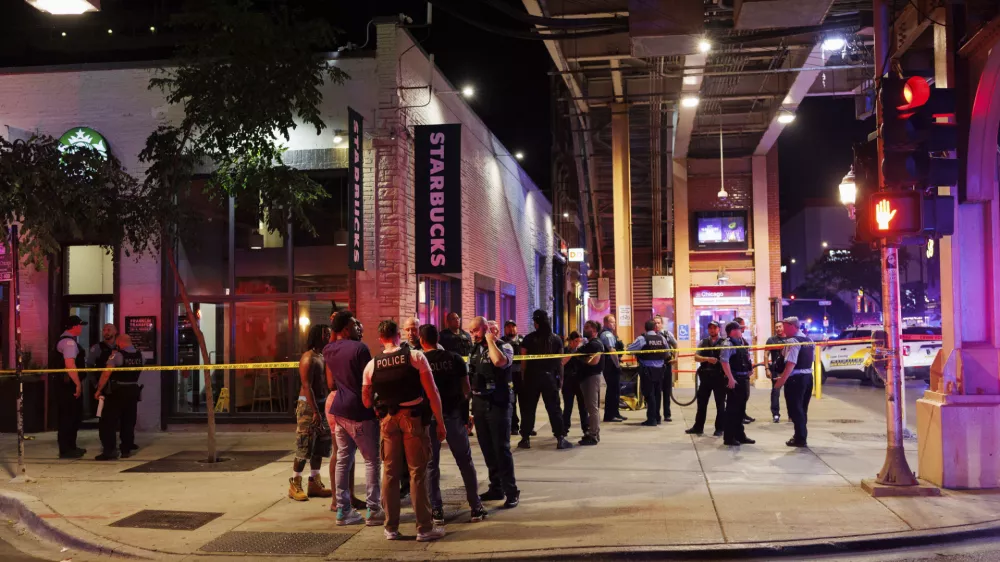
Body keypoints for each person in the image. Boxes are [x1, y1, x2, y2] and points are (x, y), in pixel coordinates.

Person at [362, 320, 448, 542]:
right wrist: (440, 422)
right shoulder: (415, 357)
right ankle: (424, 528)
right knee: (417, 473)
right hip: (413, 419)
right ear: (399, 335)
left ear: (381, 338)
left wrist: (380, 405)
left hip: (388, 421)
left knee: (389, 473)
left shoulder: (372, 365)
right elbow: (433, 392)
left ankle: (390, 528)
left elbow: (365, 401)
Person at [420, 324, 488, 524]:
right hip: (453, 416)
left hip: (429, 419)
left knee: (432, 465)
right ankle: (475, 507)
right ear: (437, 339)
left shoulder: (419, 361)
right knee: (465, 461)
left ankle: (437, 510)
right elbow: (466, 389)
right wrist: (466, 414)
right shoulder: (455, 359)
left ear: (422, 341)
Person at [324, 311, 384, 527]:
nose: (359, 328)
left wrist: (334, 325)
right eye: (354, 325)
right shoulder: (360, 349)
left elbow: (331, 341)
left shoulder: (328, 349)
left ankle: (343, 510)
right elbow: (370, 381)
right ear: (346, 329)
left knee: (343, 459)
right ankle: (374, 510)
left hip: (339, 411)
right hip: (360, 410)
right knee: (371, 460)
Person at [468, 316, 520, 509]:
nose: (473, 334)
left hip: (498, 403)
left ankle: (511, 491)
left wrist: (490, 341)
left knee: (501, 449)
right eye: (471, 331)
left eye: (476, 331)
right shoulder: (473, 349)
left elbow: (499, 362)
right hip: (480, 403)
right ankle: (495, 487)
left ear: (486, 329)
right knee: (487, 449)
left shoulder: (504, 346)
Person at [287, 325, 334, 500]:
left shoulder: (322, 356)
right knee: (304, 445)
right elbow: (307, 386)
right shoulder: (308, 358)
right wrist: (315, 412)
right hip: (308, 407)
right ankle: (295, 484)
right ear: (319, 336)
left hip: (322, 405)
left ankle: (314, 482)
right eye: (327, 334)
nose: (329, 336)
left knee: (320, 446)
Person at [519, 310, 573, 450]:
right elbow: (560, 361)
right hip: (550, 377)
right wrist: (560, 378)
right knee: (554, 408)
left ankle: (525, 438)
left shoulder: (528, 339)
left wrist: (523, 377)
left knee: (528, 408)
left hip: (532, 377)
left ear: (536, 323)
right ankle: (560, 438)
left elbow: (524, 361)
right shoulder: (556, 339)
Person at [92, 334, 143, 460]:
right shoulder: (140, 355)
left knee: (108, 422)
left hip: (117, 392)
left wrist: (98, 389)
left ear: (119, 342)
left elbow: (106, 374)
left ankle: (109, 450)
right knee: (128, 421)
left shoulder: (117, 355)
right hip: (133, 391)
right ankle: (126, 449)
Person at [773, 317, 815, 448]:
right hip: (808, 377)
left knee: (795, 409)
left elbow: (791, 363)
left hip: (796, 379)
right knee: (802, 409)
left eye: (785, 327)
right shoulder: (809, 340)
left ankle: (800, 438)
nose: (783, 330)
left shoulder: (793, 341)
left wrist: (781, 380)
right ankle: (800, 435)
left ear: (792, 326)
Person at [685, 321, 727, 437]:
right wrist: (707, 359)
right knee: (701, 404)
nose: (712, 330)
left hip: (719, 377)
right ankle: (698, 427)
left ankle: (720, 428)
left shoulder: (724, 343)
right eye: (710, 328)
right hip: (705, 377)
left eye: (714, 328)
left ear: (719, 329)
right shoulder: (703, 342)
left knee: (720, 404)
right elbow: (696, 357)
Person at [55, 316, 87, 459]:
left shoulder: (67, 341)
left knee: (73, 416)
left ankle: (71, 446)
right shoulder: (68, 342)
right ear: (73, 326)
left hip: (65, 386)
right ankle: (67, 449)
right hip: (68, 386)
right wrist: (78, 384)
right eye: (80, 325)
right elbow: (70, 365)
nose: (81, 328)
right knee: (69, 416)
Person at [627, 319, 669, 427]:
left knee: (649, 394)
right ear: (655, 328)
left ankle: (651, 419)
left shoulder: (642, 339)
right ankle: (657, 417)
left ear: (645, 328)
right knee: (657, 394)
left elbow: (630, 349)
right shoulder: (662, 338)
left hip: (647, 371)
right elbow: (667, 353)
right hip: (660, 370)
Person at [720, 321, 755, 446]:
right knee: (732, 410)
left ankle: (740, 435)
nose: (741, 331)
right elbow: (724, 362)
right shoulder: (728, 343)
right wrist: (730, 378)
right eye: (739, 329)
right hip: (734, 380)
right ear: (733, 331)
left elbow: (747, 358)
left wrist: (750, 370)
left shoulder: (742, 342)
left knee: (741, 409)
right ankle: (729, 437)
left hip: (743, 378)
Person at [575, 321, 605, 445]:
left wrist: (580, 358)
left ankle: (593, 435)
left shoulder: (595, 344)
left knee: (592, 408)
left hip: (591, 378)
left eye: (587, 327)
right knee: (590, 407)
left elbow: (593, 361)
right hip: (588, 378)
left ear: (593, 330)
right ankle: (593, 432)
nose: (584, 329)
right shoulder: (591, 344)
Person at [559, 331, 588, 437]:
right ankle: (564, 428)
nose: (577, 344)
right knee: (568, 407)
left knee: (583, 407)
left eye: (579, 342)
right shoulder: (565, 351)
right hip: (568, 382)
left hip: (580, 382)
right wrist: (572, 354)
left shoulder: (582, 351)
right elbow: (561, 363)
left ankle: (586, 428)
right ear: (570, 341)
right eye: (576, 341)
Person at [599, 315, 626, 422]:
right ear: (605, 323)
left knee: (616, 391)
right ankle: (609, 415)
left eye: (614, 322)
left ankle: (616, 413)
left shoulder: (611, 334)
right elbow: (612, 352)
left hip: (611, 365)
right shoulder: (607, 335)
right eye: (611, 322)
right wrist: (617, 365)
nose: (614, 324)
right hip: (610, 366)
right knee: (612, 391)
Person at [653, 315, 678, 423]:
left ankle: (667, 414)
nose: (657, 325)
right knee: (656, 392)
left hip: (666, 364)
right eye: (655, 323)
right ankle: (656, 415)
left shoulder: (667, 334)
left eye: (658, 323)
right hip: (655, 366)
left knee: (667, 391)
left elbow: (676, 345)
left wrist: (676, 358)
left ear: (662, 324)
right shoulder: (650, 336)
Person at [501, 321, 524, 435]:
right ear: (504, 329)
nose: (511, 329)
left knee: (525, 402)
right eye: (508, 327)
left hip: (522, 375)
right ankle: (514, 426)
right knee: (511, 402)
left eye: (513, 326)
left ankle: (526, 427)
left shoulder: (523, 340)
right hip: (509, 376)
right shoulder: (501, 342)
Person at [734, 317, 755, 424]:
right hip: (737, 373)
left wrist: (750, 368)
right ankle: (739, 416)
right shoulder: (733, 341)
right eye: (742, 325)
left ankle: (743, 413)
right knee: (739, 396)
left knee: (745, 394)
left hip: (745, 371)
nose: (744, 327)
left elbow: (747, 356)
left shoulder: (743, 340)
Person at [766, 322, 787, 423]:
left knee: (790, 393)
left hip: (788, 370)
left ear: (784, 327)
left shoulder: (790, 339)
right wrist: (767, 369)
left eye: (780, 326)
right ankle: (775, 414)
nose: (778, 329)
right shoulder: (771, 340)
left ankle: (792, 414)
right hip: (776, 370)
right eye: (776, 327)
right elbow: (766, 354)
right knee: (775, 392)